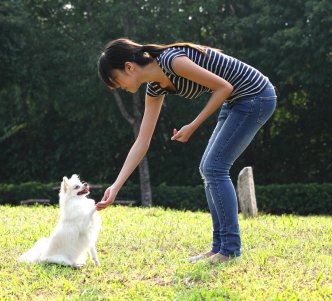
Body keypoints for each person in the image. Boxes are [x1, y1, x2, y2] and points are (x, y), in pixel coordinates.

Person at [96, 38, 277, 263]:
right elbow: (142, 141)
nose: (118, 87)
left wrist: (192, 125)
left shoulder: (171, 61)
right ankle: (218, 249)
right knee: (208, 168)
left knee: (214, 167)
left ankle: (229, 251)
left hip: (256, 95)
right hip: (234, 100)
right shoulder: (154, 87)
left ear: (129, 67)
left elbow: (224, 87)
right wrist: (115, 186)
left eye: (116, 80)